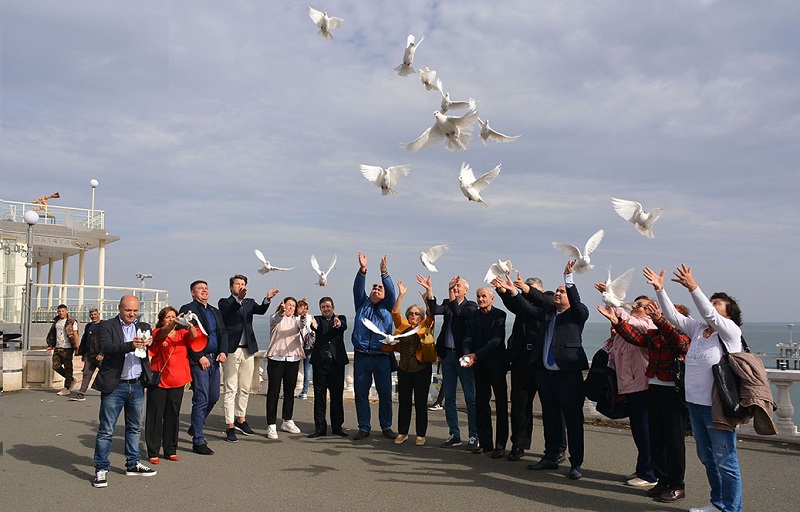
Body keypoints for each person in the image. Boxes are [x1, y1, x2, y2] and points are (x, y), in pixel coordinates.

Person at [646, 265, 744, 512]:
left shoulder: (730, 333)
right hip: (696, 405)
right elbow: (673, 317)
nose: (712, 304)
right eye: (711, 301)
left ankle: (732, 509)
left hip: (718, 407)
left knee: (725, 460)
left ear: (729, 315)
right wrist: (660, 290)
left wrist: (693, 287)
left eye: (718, 303)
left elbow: (710, 315)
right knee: (708, 458)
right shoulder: (699, 331)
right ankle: (717, 503)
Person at [494, 260, 588, 481]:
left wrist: (569, 281)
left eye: (561, 292)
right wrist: (513, 292)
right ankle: (550, 456)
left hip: (568, 377)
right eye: (556, 290)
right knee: (550, 419)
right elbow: (526, 308)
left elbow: (575, 302)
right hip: (547, 376)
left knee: (573, 422)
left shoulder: (577, 314)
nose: (557, 293)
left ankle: (576, 463)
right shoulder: (547, 314)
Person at [597, 300, 691, 503]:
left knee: (673, 442)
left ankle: (677, 485)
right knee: (656, 439)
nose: (662, 316)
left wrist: (660, 319)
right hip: (655, 389)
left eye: (669, 315)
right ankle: (662, 481)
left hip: (674, 392)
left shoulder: (682, 335)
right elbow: (635, 337)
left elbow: (678, 342)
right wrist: (617, 322)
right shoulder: (654, 335)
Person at [593, 284, 657, 488]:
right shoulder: (628, 327)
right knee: (639, 430)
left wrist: (614, 302)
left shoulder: (648, 324)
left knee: (645, 430)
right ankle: (643, 468)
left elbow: (635, 324)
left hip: (643, 386)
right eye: (635, 304)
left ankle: (649, 473)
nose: (636, 307)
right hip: (629, 386)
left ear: (651, 309)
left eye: (641, 305)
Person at [496, 274, 562, 462]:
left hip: (542, 361)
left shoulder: (549, 299)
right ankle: (519, 444)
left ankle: (558, 448)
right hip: (521, 360)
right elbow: (514, 304)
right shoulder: (523, 304)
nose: (525, 296)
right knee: (519, 405)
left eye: (528, 291)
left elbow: (542, 301)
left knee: (552, 407)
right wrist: (503, 291)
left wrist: (525, 290)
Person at [91, 295, 156, 488]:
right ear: (120, 308)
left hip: (136, 384)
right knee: (106, 430)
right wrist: (131, 345)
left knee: (134, 427)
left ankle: (133, 463)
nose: (132, 314)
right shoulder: (107, 326)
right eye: (128, 310)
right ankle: (101, 468)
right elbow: (107, 348)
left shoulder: (143, 326)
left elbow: (147, 350)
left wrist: (149, 343)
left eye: (135, 310)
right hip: (115, 385)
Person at [419, 273, 479, 450]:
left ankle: (474, 435)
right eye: (454, 285)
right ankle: (454, 434)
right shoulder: (447, 303)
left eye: (458, 286)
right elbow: (435, 310)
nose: (455, 288)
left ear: (465, 290)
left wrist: (451, 296)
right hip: (448, 356)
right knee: (449, 397)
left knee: (470, 397)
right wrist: (429, 290)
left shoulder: (471, 306)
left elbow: (459, 314)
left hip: (463, 356)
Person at [218, 274, 278, 443]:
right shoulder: (225, 302)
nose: (240, 286)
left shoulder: (249, 302)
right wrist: (238, 300)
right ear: (231, 287)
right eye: (237, 284)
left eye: (243, 283)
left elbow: (261, 310)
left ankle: (240, 418)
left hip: (248, 350)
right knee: (230, 388)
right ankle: (229, 425)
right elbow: (228, 313)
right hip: (231, 350)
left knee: (245, 388)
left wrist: (267, 299)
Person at [145, 306, 205, 464]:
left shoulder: (182, 334)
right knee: (155, 416)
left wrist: (189, 323)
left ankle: (170, 449)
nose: (171, 319)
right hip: (159, 380)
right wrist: (174, 323)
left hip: (177, 380)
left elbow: (195, 337)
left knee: (173, 416)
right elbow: (163, 334)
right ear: (162, 320)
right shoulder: (157, 332)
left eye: (173, 316)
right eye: (168, 317)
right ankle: (153, 451)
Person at [351, 252, 397, 440]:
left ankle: (386, 426)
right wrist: (363, 270)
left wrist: (383, 273)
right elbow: (357, 288)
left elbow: (392, 291)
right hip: (362, 355)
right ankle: (364, 426)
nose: (376, 289)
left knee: (385, 394)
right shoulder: (361, 303)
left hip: (382, 356)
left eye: (380, 288)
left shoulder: (388, 306)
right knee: (361, 393)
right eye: (374, 288)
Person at [383, 280, 434, 446]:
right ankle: (403, 432)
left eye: (417, 314)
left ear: (421, 316)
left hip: (421, 370)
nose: (414, 316)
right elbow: (395, 313)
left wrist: (427, 298)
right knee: (404, 403)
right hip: (404, 370)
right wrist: (401, 295)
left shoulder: (425, 326)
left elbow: (431, 314)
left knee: (420, 403)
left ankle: (421, 434)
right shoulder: (403, 326)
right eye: (411, 313)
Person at [180, 280, 228, 455]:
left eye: (206, 288)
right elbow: (186, 335)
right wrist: (199, 356)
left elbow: (223, 332)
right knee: (201, 398)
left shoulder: (215, 311)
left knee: (213, 397)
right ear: (193, 293)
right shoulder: (188, 308)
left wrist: (223, 351)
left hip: (215, 361)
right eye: (200, 289)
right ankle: (198, 440)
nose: (204, 291)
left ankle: (195, 425)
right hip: (200, 362)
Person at [462, 286, 508, 458]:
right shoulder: (472, 316)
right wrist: (467, 354)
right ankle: (486, 443)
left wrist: (475, 355)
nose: (480, 299)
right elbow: (467, 338)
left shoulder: (500, 315)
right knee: (481, 404)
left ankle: (501, 445)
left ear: (492, 298)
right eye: (478, 296)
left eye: (484, 296)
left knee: (501, 406)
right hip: (479, 367)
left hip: (496, 365)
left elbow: (496, 341)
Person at [265, 296, 306, 439]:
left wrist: (303, 317)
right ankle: (271, 424)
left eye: (293, 306)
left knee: (290, 391)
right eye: (288, 305)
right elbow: (276, 318)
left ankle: (287, 420)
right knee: (274, 392)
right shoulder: (276, 318)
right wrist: (281, 312)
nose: (290, 307)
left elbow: (302, 325)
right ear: (282, 306)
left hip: (293, 359)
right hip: (276, 359)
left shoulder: (296, 320)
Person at [308, 296, 349, 438]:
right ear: (320, 309)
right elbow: (313, 327)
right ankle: (320, 427)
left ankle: (337, 427)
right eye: (323, 307)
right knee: (319, 396)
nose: (326, 309)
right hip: (320, 364)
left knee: (337, 396)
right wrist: (313, 326)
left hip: (336, 363)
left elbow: (342, 326)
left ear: (333, 307)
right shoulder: (317, 320)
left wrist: (338, 324)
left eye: (328, 306)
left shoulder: (340, 318)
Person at [46, 304, 79, 396]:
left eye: (63, 311)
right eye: (59, 311)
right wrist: (51, 345)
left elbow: (75, 334)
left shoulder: (72, 321)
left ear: (67, 311)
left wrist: (77, 347)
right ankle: (71, 379)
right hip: (58, 346)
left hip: (67, 347)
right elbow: (53, 333)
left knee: (68, 368)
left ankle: (67, 387)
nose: (61, 313)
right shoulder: (56, 321)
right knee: (55, 366)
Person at [71, 308, 102, 401]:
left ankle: (113, 391)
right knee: (86, 374)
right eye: (91, 314)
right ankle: (81, 393)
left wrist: (102, 353)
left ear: (98, 314)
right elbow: (85, 340)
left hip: (100, 356)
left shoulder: (104, 325)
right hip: (90, 355)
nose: (93, 316)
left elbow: (106, 341)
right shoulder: (88, 326)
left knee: (107, 373)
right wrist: (83, 354)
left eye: (95, 314)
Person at [297, 298, 314, 400]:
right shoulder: (311, 317)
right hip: (309, 345)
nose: (305, 310)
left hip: (299, 345)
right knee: (307, 369)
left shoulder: (296, 318)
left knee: (293, 369)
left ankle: (287, 391)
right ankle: (305, 392)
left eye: (306, 308)